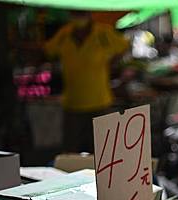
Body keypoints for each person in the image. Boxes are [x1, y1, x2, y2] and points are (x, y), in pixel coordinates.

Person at [44, 11, 129, 153]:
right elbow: (48, 51)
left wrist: (112, 63)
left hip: (99, 102)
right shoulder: (65, 33)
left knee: (102, 150)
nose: (78, 16)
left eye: (81, 12)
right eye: (76, 12)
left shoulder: (103, 32)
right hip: (72, 102)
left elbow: (123, 47)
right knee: (71, 151)